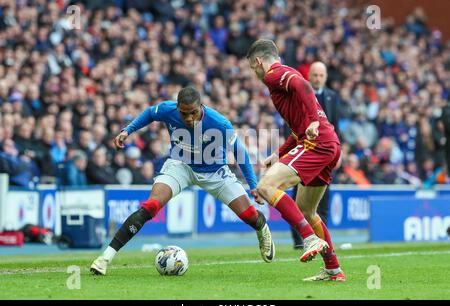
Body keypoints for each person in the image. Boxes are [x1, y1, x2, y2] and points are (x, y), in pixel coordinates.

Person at [90, 86, 274, 275]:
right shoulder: (168, 110)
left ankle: (262, 229)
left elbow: (240, 152)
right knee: (150, 206)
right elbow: (149, 114)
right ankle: (104, 258)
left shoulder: (219, 122)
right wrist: (128, 130)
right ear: (177, 107)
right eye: (183, 113)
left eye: (193, 113)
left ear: (201, 107)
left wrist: (253, 186)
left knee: (249, 216)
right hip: (180, 166)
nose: (188, 118)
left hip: (215, 172)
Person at [246, 39, 345, 281]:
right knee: (307, 210)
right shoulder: (284, 75)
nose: (255, 73)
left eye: (252, 67)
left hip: (316, 143)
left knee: (266, 186)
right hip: (327, 143)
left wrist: (312, 119)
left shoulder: (273, 75)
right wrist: (278, 154)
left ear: (258, 61)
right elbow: (297, 129)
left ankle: (309, 239)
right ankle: (334, 269)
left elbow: (303, 85)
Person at [290, 61, 340, 249]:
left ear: (325, 77)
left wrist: (339, 150)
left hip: (326, 152)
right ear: (309, 76)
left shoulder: (332, 98)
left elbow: (336, 125)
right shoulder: (301, 96)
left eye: (321, 75)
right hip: (305, 150)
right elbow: (293, 124)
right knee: (298, 196)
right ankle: (298, 241)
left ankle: (321, 239)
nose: (318, 78)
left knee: (323, 197)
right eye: (315, 75)